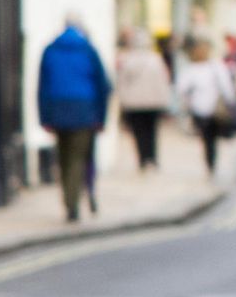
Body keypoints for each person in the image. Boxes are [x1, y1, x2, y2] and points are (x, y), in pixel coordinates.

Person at [37, 14, 112, 222]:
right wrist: (101, 117)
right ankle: (73, 204)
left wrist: (44, 116)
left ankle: (69, 201)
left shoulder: (50, 50)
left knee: (63, 158)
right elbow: (102, 86)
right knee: (78, 158)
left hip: (58, 110)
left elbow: (42, 88)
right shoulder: (88, 50)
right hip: (84, 110)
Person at [177, 39, 236, 176]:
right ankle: (211, 163)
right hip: (213, 109)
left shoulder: (190, 69)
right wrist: (231, 102)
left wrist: (187, 103)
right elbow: (227, 87)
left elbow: (181, 89)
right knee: (212, 139)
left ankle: (209, 162)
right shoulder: (216, 66)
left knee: (206, 138)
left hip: (200, 109)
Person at [117, 28, 173, 170]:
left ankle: (142, 158)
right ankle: (152, 157)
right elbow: (163, 81)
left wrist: (123, 100)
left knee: (138, 132)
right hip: (152, 102)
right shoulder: (155, 59)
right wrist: (165, 99)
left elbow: (122, 82)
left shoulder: (128, 59)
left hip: (134, 102)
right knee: (152, 131)